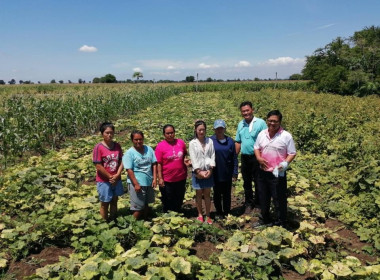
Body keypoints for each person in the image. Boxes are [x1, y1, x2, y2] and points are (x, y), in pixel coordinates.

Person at [253, 110, 296, 228]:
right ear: (267, 121)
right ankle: (265, 219)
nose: (272, 123)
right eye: (270, 121)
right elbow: (256, 147)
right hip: (262, 172)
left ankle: (281, 222)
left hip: (277, 173)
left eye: (275, 121)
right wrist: (258, 158)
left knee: (279, 198)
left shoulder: (286, 136)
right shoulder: (262, 134)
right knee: (263, 197)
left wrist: (285, 163)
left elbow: (292, 153)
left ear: (280, 122)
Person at [235, 101, 267, 214]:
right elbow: (238, 141)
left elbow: (266, 140)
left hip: (257, 157)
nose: (245, 113)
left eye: (247, 110)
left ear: (252, 110)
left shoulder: (260, 123)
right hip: (245, 157)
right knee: (247, 182)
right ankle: (248, 203)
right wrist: (235, 156)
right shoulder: (241, 124)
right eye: (243, 111)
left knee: (258, 181)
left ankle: (258, 204)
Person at [92, 122, 124, 221]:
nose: (109, 135)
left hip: (116, 179)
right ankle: (105, 222)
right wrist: (110, 177)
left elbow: (121, 161)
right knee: (105, 203)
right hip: (104, 180)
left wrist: (118, 174)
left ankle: (113, 219)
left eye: (111, 132)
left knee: (114, 200)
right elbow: (98, 165)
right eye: (107, 133)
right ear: (102, 134)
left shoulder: (117, 146)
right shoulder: (98, 147)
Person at [123, 130, 157, 220]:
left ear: (143, 139)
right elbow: (129, 170)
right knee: (138, 208)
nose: (138, 141)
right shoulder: (129, 153)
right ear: (132, 140)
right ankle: (132, 226)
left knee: (146, 204)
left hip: (148, 181)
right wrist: (136, 184)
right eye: (136, 139)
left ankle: (144, 222)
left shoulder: (149, 149)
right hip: (137, 183)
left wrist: (154, 178)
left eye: (140, 139)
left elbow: (154, 164)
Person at [155, 124, 190, 213]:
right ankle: (168, 214)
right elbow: (158, 163)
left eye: (172, 133)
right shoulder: (160, 146)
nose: (170, 135)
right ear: (164, 134)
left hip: (181, 176)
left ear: (174, 133)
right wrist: (160, 178)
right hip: (167, 179)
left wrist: (186, 159)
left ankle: (178, 212)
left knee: (179, 197)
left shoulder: (180, 142)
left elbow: (184, 154)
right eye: (168, 133)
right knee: (168, 199)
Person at [189, 120, 215, 224]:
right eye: (199, 130)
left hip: (208, 171)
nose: (201, 132)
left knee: (207, 194)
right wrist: (198, 171)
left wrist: (210, 169)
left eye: (203, 129)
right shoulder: (192, 143)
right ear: (195, 130)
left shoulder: (210, 141)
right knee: (199, 193)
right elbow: (193, 158)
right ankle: (200, 214)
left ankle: (208, 215)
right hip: (197, 172)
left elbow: (213, 155)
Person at [210, 119, 238, 219]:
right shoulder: (210, 141)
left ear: (224, 129)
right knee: (217, 193)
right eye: (217, 129)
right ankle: (219, 212)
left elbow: (234, 157)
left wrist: (235, 172)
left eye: (221, 128)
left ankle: (227, 212)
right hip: (215, 172)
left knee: (227, 194)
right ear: (214, 129)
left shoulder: (230, 141)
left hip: (227, 172)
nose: (219, 130)